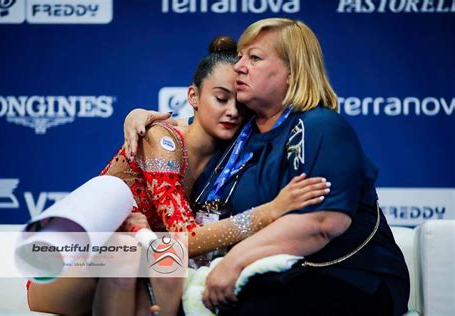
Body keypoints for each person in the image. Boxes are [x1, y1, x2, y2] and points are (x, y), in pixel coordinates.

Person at [124, 18, 410, 315]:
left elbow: (322, 223)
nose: (238, 67)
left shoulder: (321, 125)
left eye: (255, 58)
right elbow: (189, 126)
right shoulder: (241, 132)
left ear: (292, 72)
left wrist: (234, 262)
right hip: (273, 275)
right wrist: (139, 115)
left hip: (348, 277)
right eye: (239, 57)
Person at [27, 36, 329, 316]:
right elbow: (186, 236)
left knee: (167, 262)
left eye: (241, 104)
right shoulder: (161, 140)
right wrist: (271, 211)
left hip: (140, 270)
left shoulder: (231, 153)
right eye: (221, 98)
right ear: (193, 96)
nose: (233, 112)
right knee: (134, 252)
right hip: (64, 271)